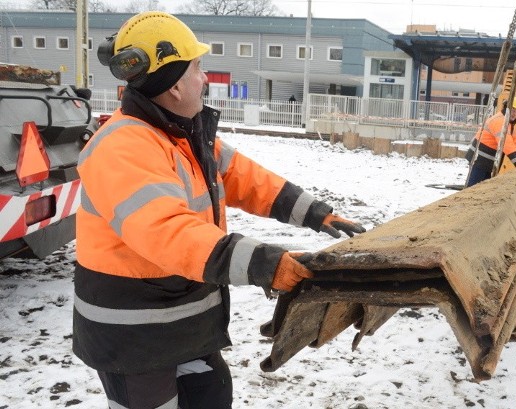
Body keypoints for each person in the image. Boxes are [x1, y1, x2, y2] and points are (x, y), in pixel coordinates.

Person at [74, 11, 365, 409]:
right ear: (175, 86)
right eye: (198, 67)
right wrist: (266, 263)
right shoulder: (123, 147)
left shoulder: (181, 132)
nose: (205, 78)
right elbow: (168, 232)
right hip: (134, 337)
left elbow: (244, 177)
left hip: (181, 319)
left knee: (212, 396)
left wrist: (315, 213)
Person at [465, 96, 516, 187]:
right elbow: (507, 144)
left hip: (487, 160)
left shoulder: (509, 123)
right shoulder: (500, 121)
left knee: (483, 188)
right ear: (507, 108)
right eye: (513, 110)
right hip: (479, 159)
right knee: (472, 188)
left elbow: (514, 141)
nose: (514, 114)